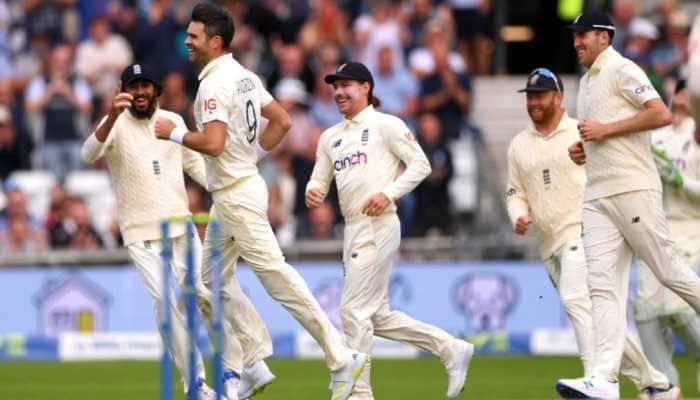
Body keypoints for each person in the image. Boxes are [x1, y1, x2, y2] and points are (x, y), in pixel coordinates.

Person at [153, 4, 368, 400]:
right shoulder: (245, 76)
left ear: (215, 42)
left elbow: (214, 144)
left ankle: (340, 355)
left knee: (276, 276)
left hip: (236, 196)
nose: (187, 41)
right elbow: (281, 121)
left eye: (194, 36)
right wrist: (248, 160)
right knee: (210, 280)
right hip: (236, 190)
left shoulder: (214, 85)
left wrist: (175, 134)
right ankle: (253, 360)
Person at [80, 63, 272, 400]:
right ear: (122, 91)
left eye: (146, 86)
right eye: (133, 87)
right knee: (165, 305)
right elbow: (87, 154)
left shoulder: (173, 122)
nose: (140, 93)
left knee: (203, 292)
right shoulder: (114, 124)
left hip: (180, 226)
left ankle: (232, 371)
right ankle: (196, 383)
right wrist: (110, 116)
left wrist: (234, 191)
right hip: (140, 233)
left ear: (156, 91)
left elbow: (198, 167)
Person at [506, 67, 679, 399]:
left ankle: (595, 382)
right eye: (530, 97)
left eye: (540, 95)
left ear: (559, 97)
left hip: (585, 231)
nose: (534, 103)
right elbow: (514, 191)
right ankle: (656, 384)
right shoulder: (518, 145)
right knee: (602, 322)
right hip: (549, 243)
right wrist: (519, 214)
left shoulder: (581, 131)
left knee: (576, 302)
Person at [305, 61, 473, 400]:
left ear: (366, 87)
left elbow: (421, 165)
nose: (339, 92)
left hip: (379, 224)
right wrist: (313, 190)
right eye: (335, 86)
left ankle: (358, 393)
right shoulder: (330, 137)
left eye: (346, 85)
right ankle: (450, 348)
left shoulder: (385, 124)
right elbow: (319, 179)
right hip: (353, 228)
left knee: (353, 311)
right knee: (375, 316)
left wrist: (388, 193)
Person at [556, 11, 700, 399]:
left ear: (604, 36)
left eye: (583, 35)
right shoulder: (586, 83)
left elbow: (659, 113)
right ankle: (604, 379)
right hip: (598, 195)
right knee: (602, 288)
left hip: (633, 189)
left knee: (667, 269)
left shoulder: (624, 69)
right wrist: (585, 147)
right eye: (574, 37)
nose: (576, 42)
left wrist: (603, 131)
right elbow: (605, 134)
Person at [635, 80, 700, 391]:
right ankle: (662, 386)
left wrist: (679, 180)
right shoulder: (657, 137)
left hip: (692, 226)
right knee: (645, 309)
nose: (683, 97)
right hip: (656, 225)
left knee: (676, 305)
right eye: (681, 91)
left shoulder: (696, 136)